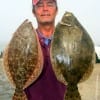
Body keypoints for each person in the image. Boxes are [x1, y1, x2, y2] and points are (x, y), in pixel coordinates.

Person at [24, 0, 66, 100]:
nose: (45, 8)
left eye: (50, 4)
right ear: (34, 12)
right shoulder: (25, 40)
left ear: (56, 10)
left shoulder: (67, 41)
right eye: (39, 5)